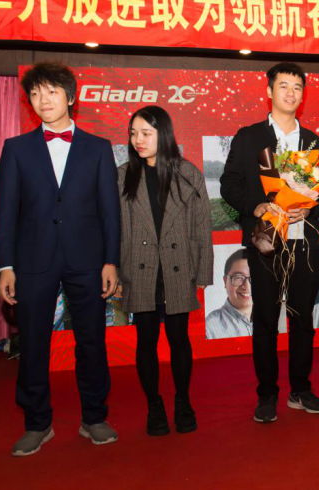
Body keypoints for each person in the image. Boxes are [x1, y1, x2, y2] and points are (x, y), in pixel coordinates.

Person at [0, 61, 120, 456]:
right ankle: (37, 423)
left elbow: (110, 211)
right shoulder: (16, 149)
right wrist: (5, 266)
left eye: (51, 91)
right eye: (35, 93)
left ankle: (94, 417)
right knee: (33, 344)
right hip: (33, 261)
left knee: (92, 342)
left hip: (88, 260)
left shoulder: (98, 149)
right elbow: (5, 213)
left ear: (70, 97)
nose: (43, 100)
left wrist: (110, 261)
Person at [220, 62, 319, 423]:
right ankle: (267, 394)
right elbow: (229, 184)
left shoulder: (313, 142)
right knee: (266, 320)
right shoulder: (249, 137)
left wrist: (311, 208)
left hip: (304, 244)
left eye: (297, 87)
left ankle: (300, 390)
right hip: (266, 243)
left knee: (302, 320)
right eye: (283, 86)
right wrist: (255, 206)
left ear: (303, 95)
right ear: (269, 91)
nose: (290, 93)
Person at [117, 105, 213, 436]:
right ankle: (154, 404)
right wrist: (115, 270)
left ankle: (183, 401)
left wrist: (203, 273)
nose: (138, 140)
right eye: (133, 133)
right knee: (145, 340)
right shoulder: (122, 176)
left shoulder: (187, 173)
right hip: (139, 268)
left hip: (177, 267)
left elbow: (202, 226)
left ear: (165, 134)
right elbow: (113, 228)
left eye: (146, 133)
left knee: (179, 339)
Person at [206, 248, 254, 339]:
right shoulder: (209, 329)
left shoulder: (273, 319)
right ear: (225, 281)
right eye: (238, 277)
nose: (247, 287)